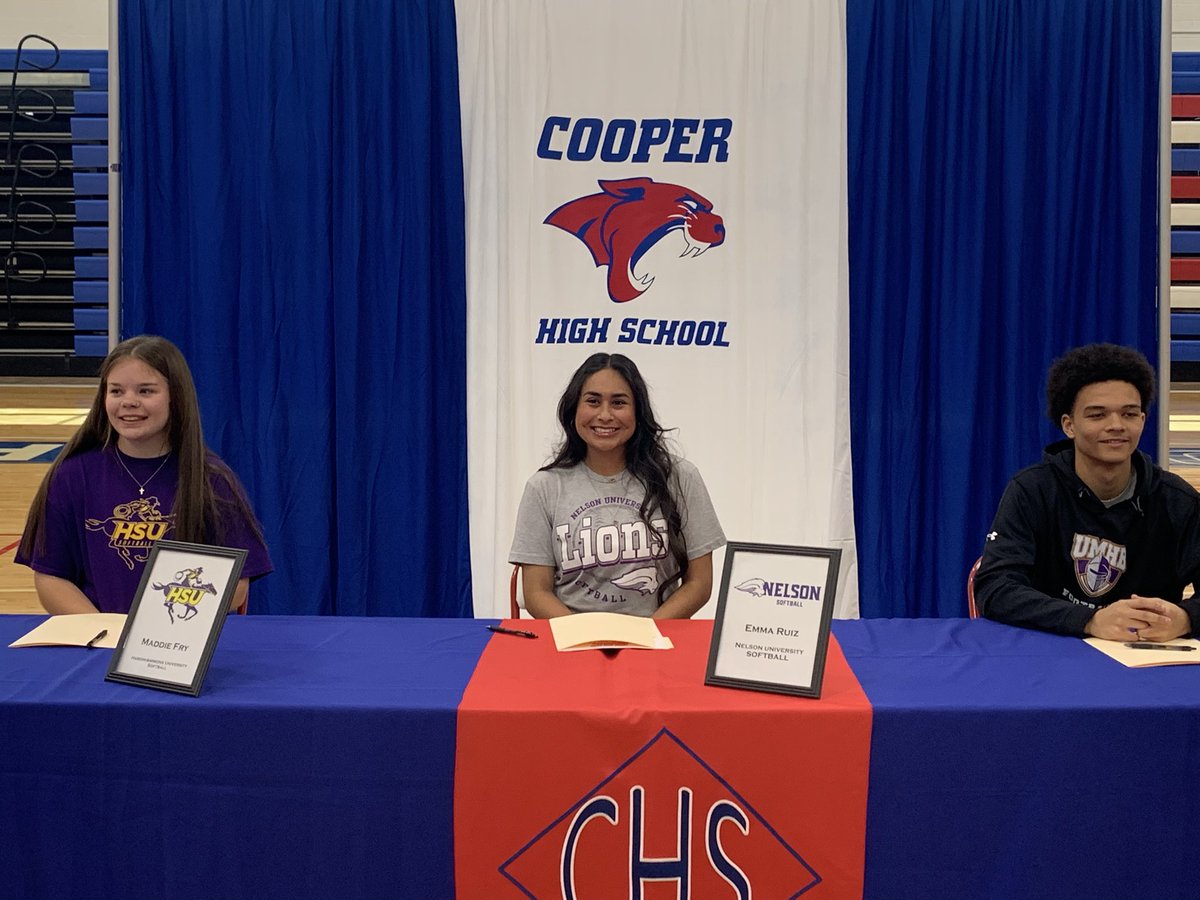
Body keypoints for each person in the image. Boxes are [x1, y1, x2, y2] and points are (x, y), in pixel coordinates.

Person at [16, 335, 273, 614]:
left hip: (177, 645)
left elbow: (237, 585)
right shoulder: (72, 476)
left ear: (176, 397)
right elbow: (50, 577)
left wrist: (158, 634)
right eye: (116, 391)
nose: (128, 402)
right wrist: (105, 632)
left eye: (146, 391)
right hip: (98, 646)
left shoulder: (211, 481)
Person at [975, 343, 1200, 641]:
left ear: (1143, 421)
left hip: (1144, 664)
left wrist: (1185, 618)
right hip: (1047, 653)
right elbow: (995, 587)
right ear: (1069, 425)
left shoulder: (1177, 500)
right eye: (1098, 415)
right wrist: (1089, 620)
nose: (1116, 426)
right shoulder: (1032, 490)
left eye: (1130, 414)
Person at [509, 352, 725, 618]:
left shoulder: (681, 477)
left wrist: (647, 634)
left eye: (619, 403)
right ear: (574, 408)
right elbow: (536, 593)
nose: (605, 415)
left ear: (638, 411)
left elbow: (700, 584)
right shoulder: (543, 488)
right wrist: (585, 638)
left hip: (657, 639)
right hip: (571, 644)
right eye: (593, 401)